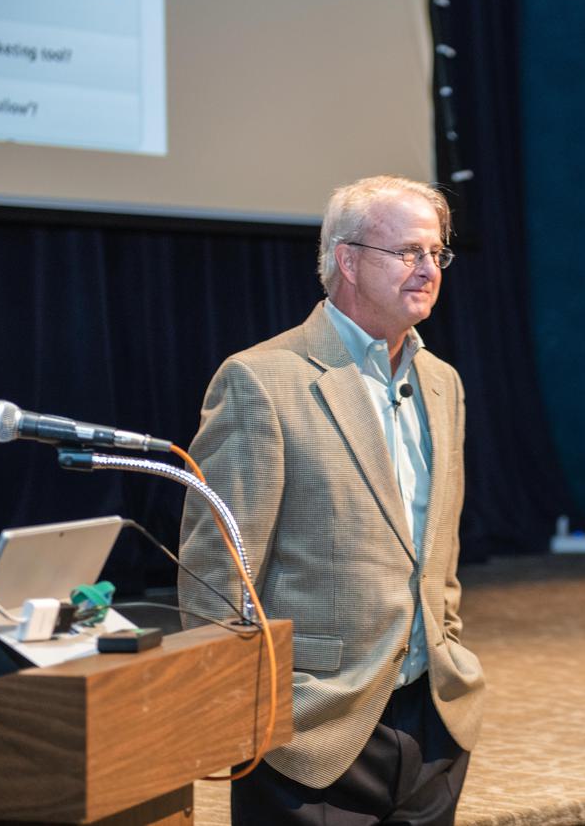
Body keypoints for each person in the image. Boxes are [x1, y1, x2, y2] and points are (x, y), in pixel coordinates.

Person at [178, 175, 485, 825]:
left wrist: (449, 642)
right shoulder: (263, 380)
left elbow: (437, 550)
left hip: (431, 722)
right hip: (309, 738)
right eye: (408, 252)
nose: (428, 269)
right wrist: (247, 719)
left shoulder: (441, 383)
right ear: (347, 259)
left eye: (436, 253)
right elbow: (216, 579)